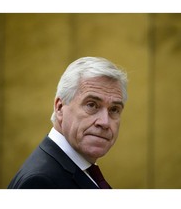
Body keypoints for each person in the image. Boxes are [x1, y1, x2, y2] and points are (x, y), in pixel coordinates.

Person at [8, 56, 128, 189]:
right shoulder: (40, 183)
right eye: (92, 105)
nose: (105, 122)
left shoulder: (80, 168)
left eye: (114, 109)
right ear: (59, 108)